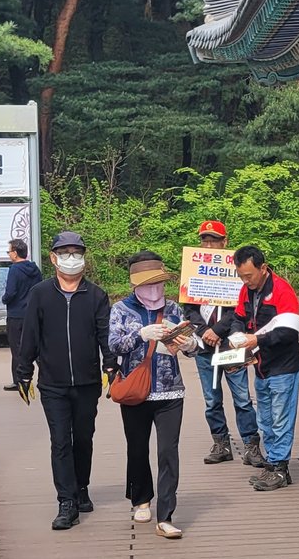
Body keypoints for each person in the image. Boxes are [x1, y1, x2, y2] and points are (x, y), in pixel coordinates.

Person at [14, 230, 113, 531]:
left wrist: (110, 365)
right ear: (53, 258)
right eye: (65, 253)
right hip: (53, 383)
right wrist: (23, 371)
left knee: (83, 438)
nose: (71, 258)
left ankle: (81, 487)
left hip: (87, 382)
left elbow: (105, 335)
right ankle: (66, 502)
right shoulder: (40, 294)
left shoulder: (96, 295)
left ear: (84, 257)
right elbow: (29, 335)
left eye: (77, 253)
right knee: (60, 441)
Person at [107, 252, 195, 539]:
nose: (155, 289)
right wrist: (141, 335)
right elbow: (114, 346)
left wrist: (189, 344)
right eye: (148, 284)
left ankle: (166, 515)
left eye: (159, 283)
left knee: (168, 451)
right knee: (137, 447)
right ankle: (141, 498)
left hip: (171, 390)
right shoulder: (121, 309)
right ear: (135, 284)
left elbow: (192, 348)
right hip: (136, 390)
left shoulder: (173, 308)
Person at [215, 245, 299, 492]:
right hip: (261, 366)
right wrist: (236, 336)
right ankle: (272, 463)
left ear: (263, 268)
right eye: (241, 276)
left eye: (249, 276)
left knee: (280, 419)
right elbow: (238, 318)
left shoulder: (282, 290)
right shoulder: (246, 290)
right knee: (265, 419)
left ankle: (279, 467)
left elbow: (290, 332)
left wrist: (257, 339)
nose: (246, 281)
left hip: (284, 366)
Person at [181, 218, 263, 468]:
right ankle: (221, 443)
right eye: (205, 240)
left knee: (242, 397)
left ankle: (251, 445)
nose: (209, 245)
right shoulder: (194, 269)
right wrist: (205, 330)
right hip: (204, 346)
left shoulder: (237, 270)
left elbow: (240, 309)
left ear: (224, 242)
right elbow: (189, 307)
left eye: (214, 241)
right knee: (211, 399)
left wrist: (218, 330)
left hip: (231, 344)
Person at [2, 237, 42, 389]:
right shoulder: (35, 269)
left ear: (15, 252)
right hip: (33, 313)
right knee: (37, 346)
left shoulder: (14, 270)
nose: (8, 254)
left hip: (16, 314)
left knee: (17, 348)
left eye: (9, 252)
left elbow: (11, 292)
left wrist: (4, 299)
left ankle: (19, 380)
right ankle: (48, 375)